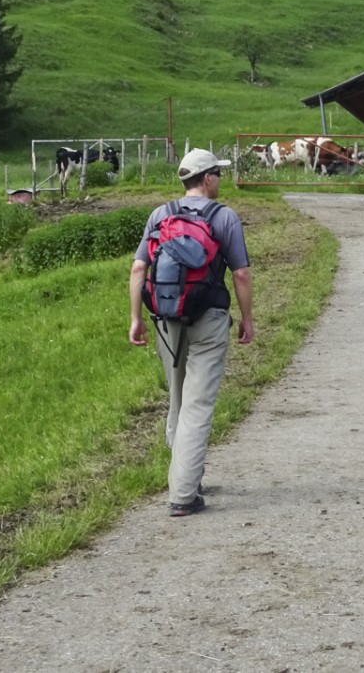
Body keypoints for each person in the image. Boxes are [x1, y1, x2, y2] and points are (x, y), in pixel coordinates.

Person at [128, 148, 253, 516]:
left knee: (178, 398)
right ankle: (183, 495)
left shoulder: (160, 214)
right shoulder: (224, 217)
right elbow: (241, 274)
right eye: (219, 173)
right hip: (209, 318)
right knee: (198, 405)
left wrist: (136, 317)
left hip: (167, 317)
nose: (221, 180)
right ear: (208, 178)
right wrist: (247, 318)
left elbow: (138, 269)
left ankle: (188, 476)